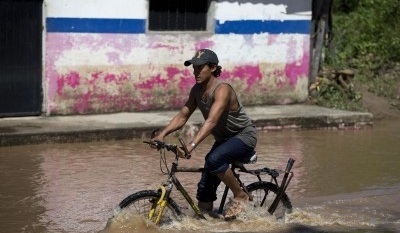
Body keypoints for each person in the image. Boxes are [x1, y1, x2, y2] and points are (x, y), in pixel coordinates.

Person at [151, 48, 257, 220]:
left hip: (243, 136)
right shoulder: (197, 90)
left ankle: (240, 195)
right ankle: (205, 222)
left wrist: (191, 145)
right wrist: (162, 135)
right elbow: (183, 115)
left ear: (213, 68)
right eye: (194, 68)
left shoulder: (222, 89)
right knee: (204, 189)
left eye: (200, 67)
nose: (196, 72)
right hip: (224, 139)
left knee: (214, 159)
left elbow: (211, 121)